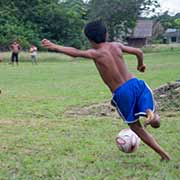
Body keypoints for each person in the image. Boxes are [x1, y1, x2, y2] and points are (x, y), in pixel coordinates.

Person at [42, 20, 171, 161]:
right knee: (150, 114)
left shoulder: (96, 53)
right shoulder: (116, 46)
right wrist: (141, 65)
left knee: (136, 127)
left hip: (122, 92)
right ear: (106, 34)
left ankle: (164, 155)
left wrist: (56, 47)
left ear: (89, 39)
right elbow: (138, 52)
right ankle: (152, 116)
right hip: (136, 83)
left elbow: (76, 53)